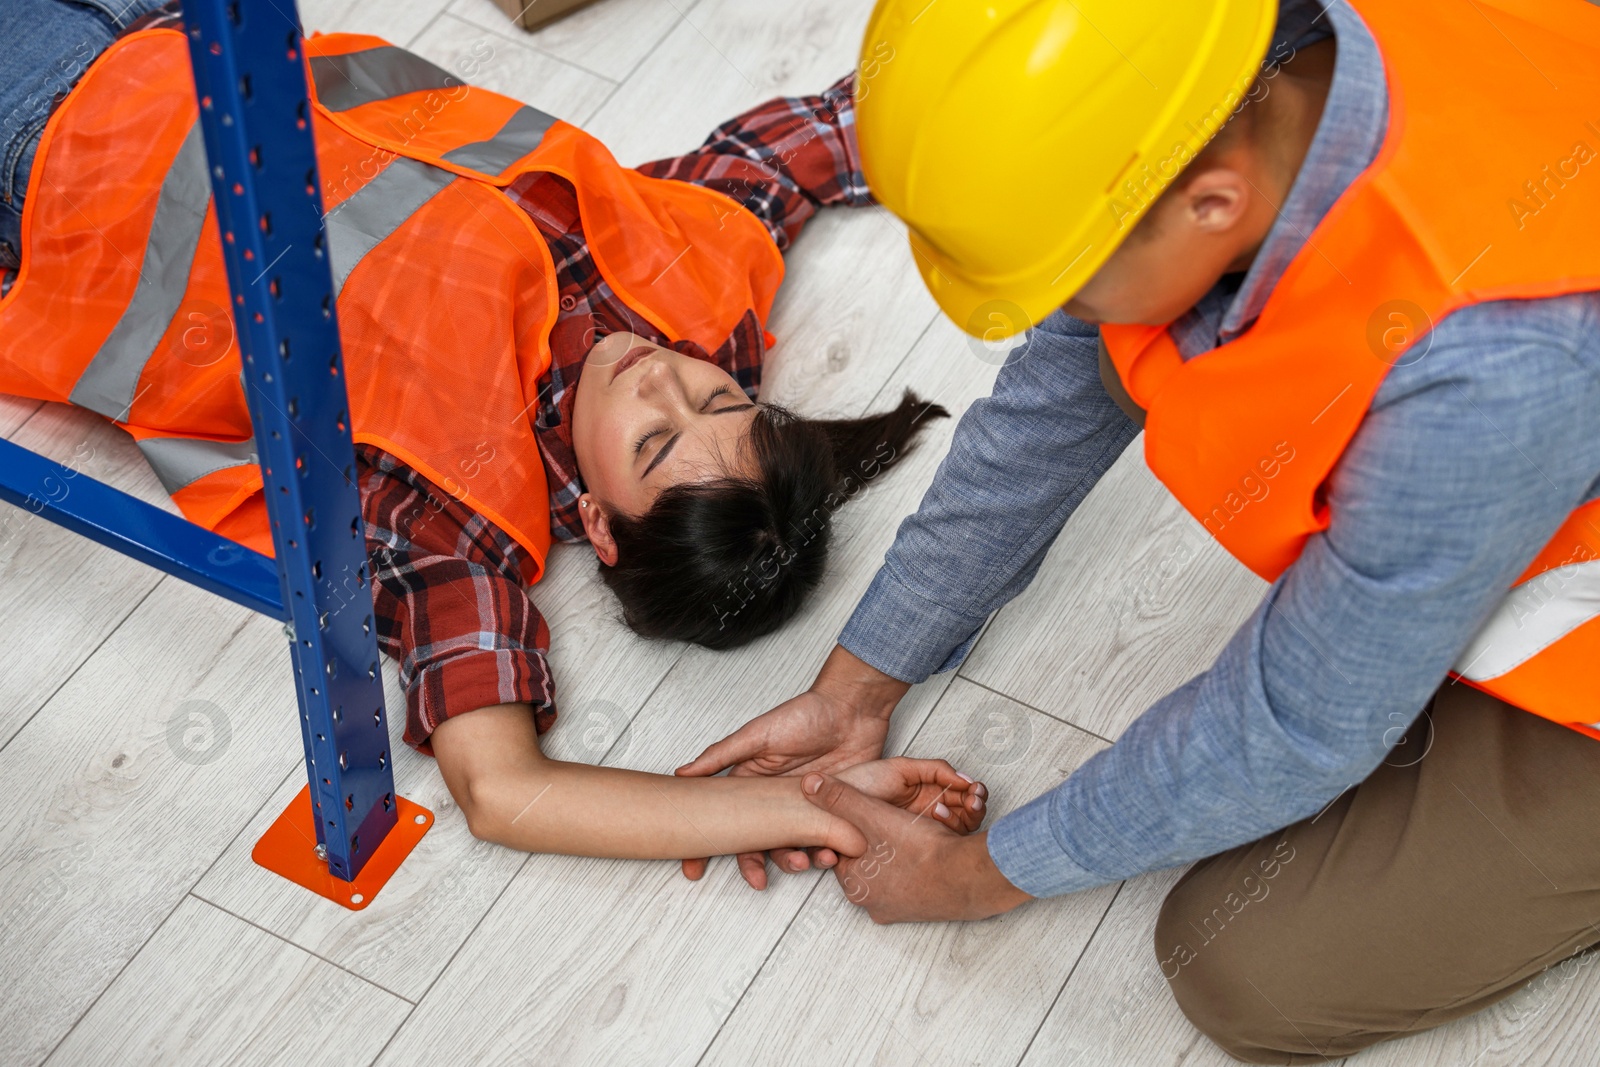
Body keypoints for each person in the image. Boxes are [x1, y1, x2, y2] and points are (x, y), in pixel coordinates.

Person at [678, 0, 1600, 1060]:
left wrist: (976, 876)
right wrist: (858, 684)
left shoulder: (1491, 366)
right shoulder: (1199, 77)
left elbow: (1299, 722)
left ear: (1212, 203)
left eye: (1065, 278)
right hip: (1488, 483)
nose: (1060, 311)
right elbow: (1054, 400)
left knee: (1250, 968)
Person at [0, 1, 987, 862]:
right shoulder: (690, 293)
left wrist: (796, 806)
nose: (664, 381)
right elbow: (825, 132)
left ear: (600, 524)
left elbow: (505, 790)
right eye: (721, 401)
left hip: (47, 126)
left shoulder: (450, 500)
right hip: (217, 29)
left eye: (651, 441)